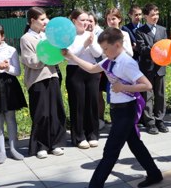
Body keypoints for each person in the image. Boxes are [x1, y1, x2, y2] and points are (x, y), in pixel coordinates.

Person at [62, 27, 163, 188]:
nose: (104, 52)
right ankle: (154, 174)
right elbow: (92, 68)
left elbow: (147, 85)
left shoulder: (127, 62)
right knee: (135, 144)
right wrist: (71, 56)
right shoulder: (110, 60)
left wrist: (123, 87)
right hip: (117, 110)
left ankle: (95, 185)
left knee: (110, 151)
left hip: (126, 111)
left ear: (117, 45)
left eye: (106, 49)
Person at [20, 7, 66, 159]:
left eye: (46, 18)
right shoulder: (26, 39)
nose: (45, 22)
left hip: (52, 76)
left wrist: (54, 54)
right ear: (32, 21)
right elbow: (31, 62)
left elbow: (58, 56)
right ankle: (41, 145)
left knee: (56, 111)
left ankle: (56, 143)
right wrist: (47, 56)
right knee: (42, 114)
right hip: (37, 80)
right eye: (42, 19)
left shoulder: (47, 37)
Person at [0, 22, 27, 164]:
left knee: (10, 117)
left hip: (9, 85)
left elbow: (17, 71)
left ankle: (13, 148)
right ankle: (1, 151)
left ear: (3, 36)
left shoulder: (11, 50)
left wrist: (7, 67)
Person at [66, 8, 102, 149]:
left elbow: (98, 53)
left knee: (92, 103)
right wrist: (85, 44)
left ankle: (92, 134)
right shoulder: (68, 36)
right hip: (75, 71)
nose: (86, 22)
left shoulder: (91, 34)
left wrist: (91, 42)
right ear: (74, 21)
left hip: (92, 71)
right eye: (82, 20)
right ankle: (79, 137)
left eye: (88, 20)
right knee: (78, 104)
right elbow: (69, 55)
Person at [135, 3, 168, 135]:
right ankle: (150, 122)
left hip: (160, 67)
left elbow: (166, 46)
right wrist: (156, 48)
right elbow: (142, 49)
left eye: (157, 14)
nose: (156, 17)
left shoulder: (162, 30)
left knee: (160, 95)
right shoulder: (140, 31)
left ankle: (160, 120)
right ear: (146, 16)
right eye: (153, 14)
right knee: (148, 95)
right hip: (147, 67)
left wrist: (161, 49)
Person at [87, 11, 105, 130]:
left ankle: (100, 119)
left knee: (98, 95)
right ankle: (90, 118)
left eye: (90, 21)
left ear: (95, 22)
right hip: (85, 68)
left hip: (99, 68)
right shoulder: (81, 33)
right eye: (85, 21)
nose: (88, 23)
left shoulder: (100, 33)